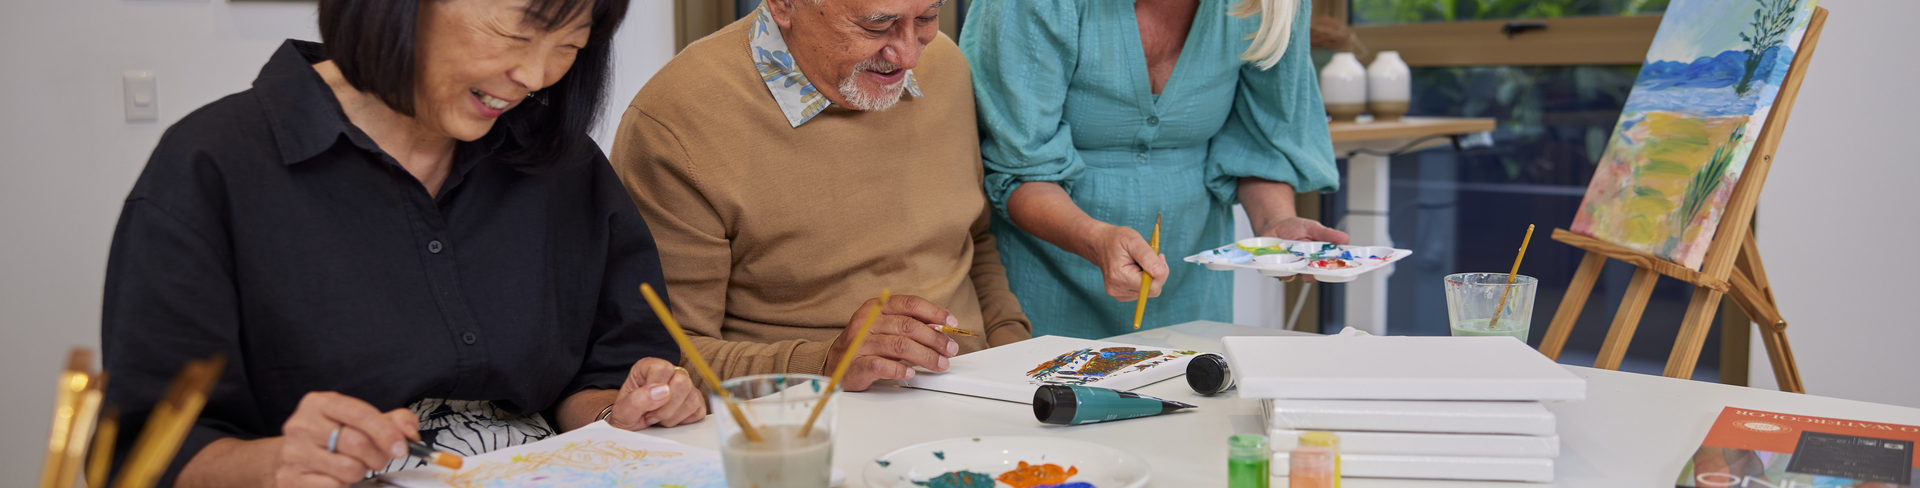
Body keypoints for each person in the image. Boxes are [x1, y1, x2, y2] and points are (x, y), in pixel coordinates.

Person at [100, 0, 705, 485]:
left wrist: (619, 409)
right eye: (518, 34)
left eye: (569, 47)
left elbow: (594, 377)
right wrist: (271, 465)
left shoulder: (559, 164)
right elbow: (142, 453)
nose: (536, 76)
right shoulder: (214, 167)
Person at [610, 0, 1031, 392]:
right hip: (807, 425)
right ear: (784, 5)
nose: (909, 56)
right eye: (877, 24)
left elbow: (973, 241)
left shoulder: (945, 64)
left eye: (926, 17)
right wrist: (824, 364)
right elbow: (667, 356)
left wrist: (1016, 356)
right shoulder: (677, 122)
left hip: (982, 396)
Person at [961, 0, 1347, 339]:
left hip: (1193, 298)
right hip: (1041, 290)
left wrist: (1275, 224)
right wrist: (1096, 239)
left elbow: (1261, 141)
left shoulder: (1269, 6)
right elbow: (1016, 169)